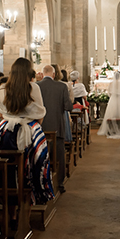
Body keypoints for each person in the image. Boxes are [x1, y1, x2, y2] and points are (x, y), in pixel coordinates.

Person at [0, 57, 53, 204]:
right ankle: (30, 200)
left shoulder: (3, 88)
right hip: (31, 130)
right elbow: (40, 114)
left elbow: (0, 114)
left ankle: (9, 204)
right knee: (34, 165)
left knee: (6, 166)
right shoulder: (34, 88)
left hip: (7, 131)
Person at [38, 64, 73, 192]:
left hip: (40, 128)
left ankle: (42, 184)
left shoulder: (37, 86)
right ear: (54, 74)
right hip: (57, 127)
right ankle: (60, 183)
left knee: (41, 156)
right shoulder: (61, 86)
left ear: (42, 74)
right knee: (59, 155)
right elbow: (68, 107)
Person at [98, 70, 120, 139]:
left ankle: (110, 129)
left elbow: (109, 92)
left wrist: (112, 96)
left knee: (111, 114)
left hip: (113, 99)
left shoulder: (111, 83)